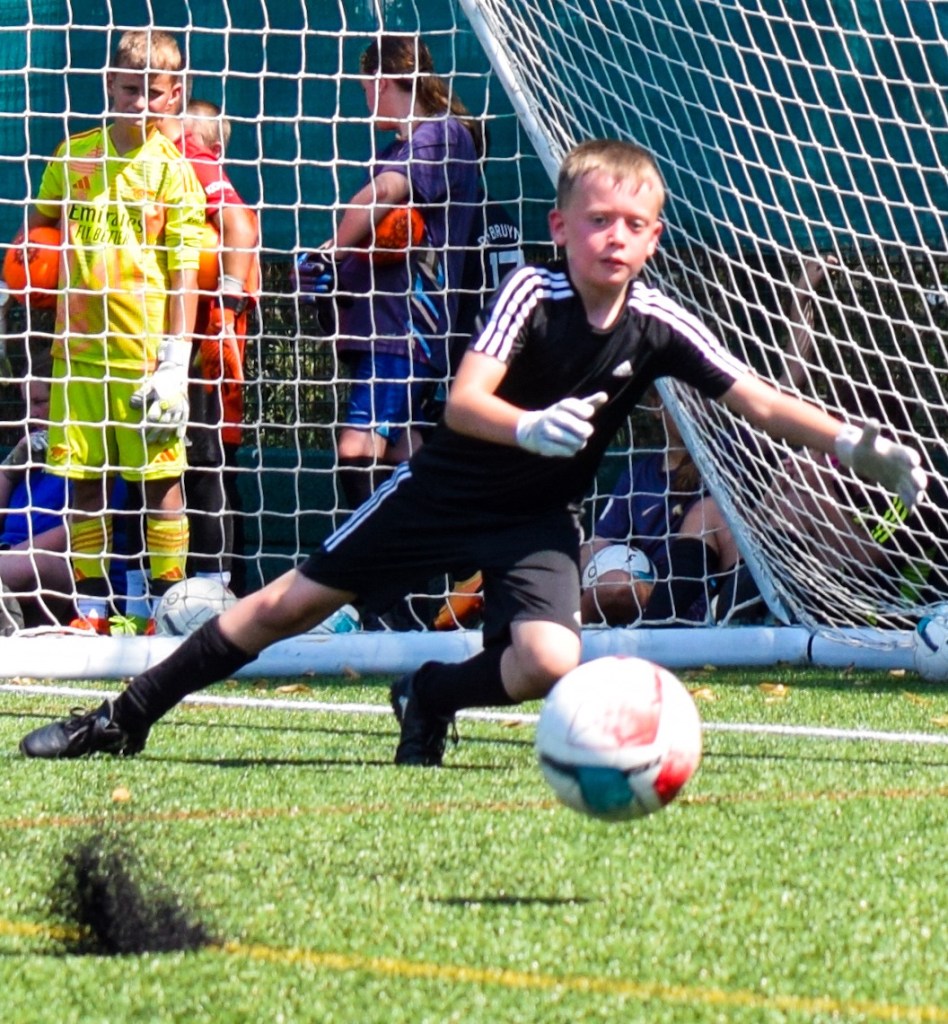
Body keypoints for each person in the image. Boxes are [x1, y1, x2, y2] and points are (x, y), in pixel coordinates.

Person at [18, 139, 926, 766]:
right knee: (284, 607)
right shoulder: (529, 291)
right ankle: (123, 717)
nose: (615, 237)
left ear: (654, 237)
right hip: (442, 492)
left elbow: (760, 401)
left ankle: (433, 696)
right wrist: (527, 426)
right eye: (598, 219)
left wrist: (860, 446)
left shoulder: (657, 323)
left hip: (534, 518)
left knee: (548, 661)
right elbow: (463, 400)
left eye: (633, 224)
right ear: (561, 226)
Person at [24, 28, 205, 634]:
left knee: (161, 482)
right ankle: (91, 610)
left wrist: (175, 362)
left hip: (144, 361)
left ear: (173, 95)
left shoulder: (175, 173)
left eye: (153, 93)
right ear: (109, 85)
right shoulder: (71, 155)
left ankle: (166, 607)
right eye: (130, 89)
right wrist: (19, 280)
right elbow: (38, 234)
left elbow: (185, 273)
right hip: (76, 356)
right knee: (83, 481)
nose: (140, 102)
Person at [296, 33, 481, 514]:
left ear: (382, 81)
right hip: (381, 326)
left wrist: (337, 248)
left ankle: (368, 559)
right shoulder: (393, 151)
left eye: (364, 88)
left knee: (357, 448)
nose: (365, 100)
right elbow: (371, 237)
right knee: (404, 451)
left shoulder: (441, 134)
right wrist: (326, 269)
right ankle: (441, 552)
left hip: (406, 328)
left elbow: (383, 195)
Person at [124, 96, 260, 617]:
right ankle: (147, 599)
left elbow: (241, 225)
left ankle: (210, 597)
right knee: (155, 467)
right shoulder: (135, 162)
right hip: (149, 339)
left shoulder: (188, 158)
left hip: (197, 346)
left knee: (201, 463)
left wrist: (226, 302)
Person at [580, 392, 704, 625]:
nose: (694, 406)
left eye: (701, 397)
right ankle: (556, 623)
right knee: (613, 584)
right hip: (645, 590)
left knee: (617, 586)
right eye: (681, 397)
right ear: (656, 405)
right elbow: (600, 541)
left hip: (698, 596)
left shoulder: (726, 460)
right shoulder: (638, 476)